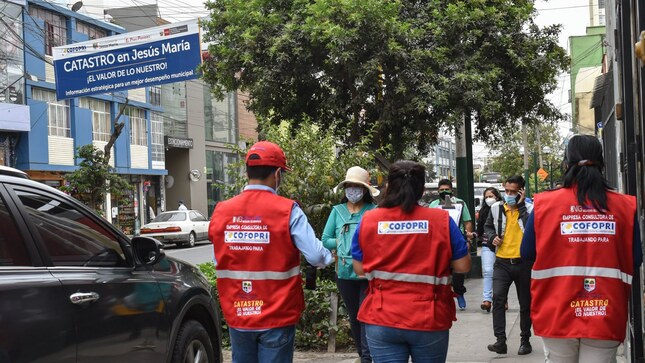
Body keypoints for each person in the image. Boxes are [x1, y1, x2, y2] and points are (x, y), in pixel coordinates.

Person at [208, 141, 333, 363]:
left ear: (247, 172)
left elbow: (218, 256)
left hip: (238, 311)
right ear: (277, 174)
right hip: (277, 313)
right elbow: (315, 256)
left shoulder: (222, 210)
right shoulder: (288, 210)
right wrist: (329, 256)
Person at [521, 135, 642, 363]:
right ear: (602, 163)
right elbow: (635, 258)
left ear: (566, 164)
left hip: (556, 307)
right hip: (606, 307)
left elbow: (527, 253)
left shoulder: (544, 205)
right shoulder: (625, 206)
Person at [351, 160, 471, 362]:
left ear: (388, 187)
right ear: (422, 190)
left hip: (382, 318)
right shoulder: (441, 220)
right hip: (429, 318)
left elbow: (359, 269)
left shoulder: (369, 220)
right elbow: (463, 265)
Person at [322, 166, 379, 363]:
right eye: (350, 186)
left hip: (366, 272)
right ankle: (362, 354)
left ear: (364, 190)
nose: (352, 190)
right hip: (344, 273)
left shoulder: (374, 211)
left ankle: (367, 356)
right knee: (355, 316)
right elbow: (325, 239)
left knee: (366, 315)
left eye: (357, 186)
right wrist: (341, 242)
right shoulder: (336, 211)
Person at [484, 175, 533, 356]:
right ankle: (500, 341)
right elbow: (487, 227)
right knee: (497, 298)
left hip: (524, 263)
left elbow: (532, 230)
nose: (509, 194)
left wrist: (520, 206)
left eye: (513, 191)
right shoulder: (496, 208)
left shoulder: (530, 209)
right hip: (502, 262)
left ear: (521, 191)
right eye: (507, 191)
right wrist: (491, 237)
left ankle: (525, 340)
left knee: (525, 303)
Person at [428, 178, 474, 310]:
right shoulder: (433, 205)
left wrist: (468, 239)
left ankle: (459, 292)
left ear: (451, 190)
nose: (444, 191)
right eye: (441, 190)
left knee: (458, 272)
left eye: (446, 189)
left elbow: (467, 221)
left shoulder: (460, 203)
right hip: (439, 240)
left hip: (457, 239)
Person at [476, 186, 502, 313]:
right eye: (486, 197)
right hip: (487, 245)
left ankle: (502, 300)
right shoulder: (483, 212)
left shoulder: (503, 209)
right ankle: (487, 300)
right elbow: (480, 230)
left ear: (497, 197)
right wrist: (474, 235)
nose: (488, 199)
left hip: (503, 245)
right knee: (488, 271)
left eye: (491, 196)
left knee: (502, 275)